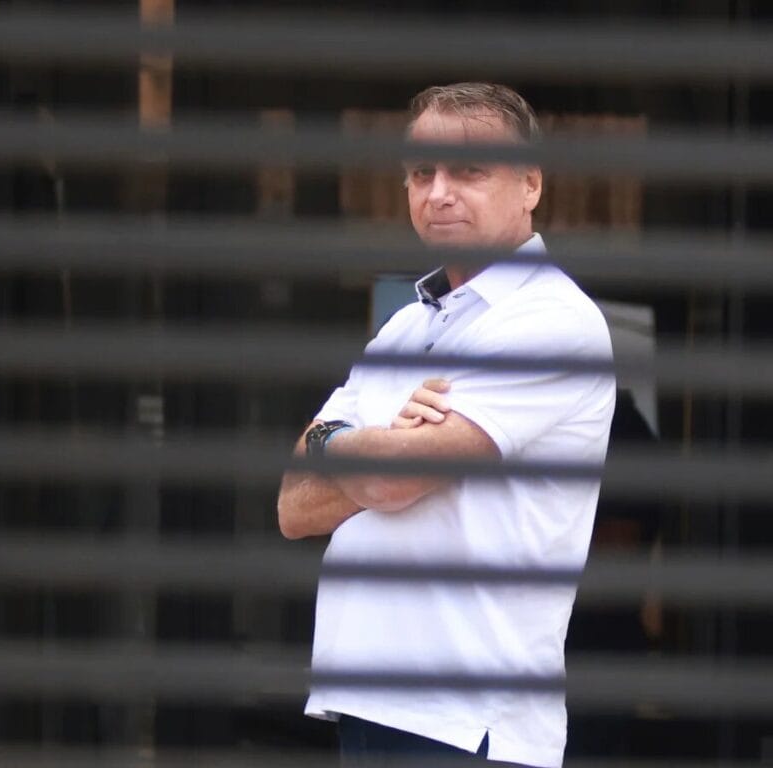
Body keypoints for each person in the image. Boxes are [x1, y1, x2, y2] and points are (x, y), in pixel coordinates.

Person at [277, 82, 616, 768]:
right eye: (421, 172)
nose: (438, 193)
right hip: (369, 702)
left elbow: (394, 483)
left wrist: (340, 445)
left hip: (467, 723)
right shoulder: (406, 326)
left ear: (530, 184)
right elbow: (293, 507)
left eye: (469, 171)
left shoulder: (552, 321)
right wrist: (368, 445)